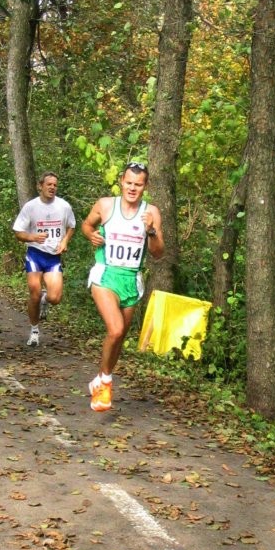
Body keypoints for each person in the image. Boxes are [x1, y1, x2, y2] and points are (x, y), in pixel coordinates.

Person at [81, 161, 164, 411]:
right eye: (129, 183)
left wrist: (150, 231)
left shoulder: (152, 212)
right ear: (121, 181)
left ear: (145, 186)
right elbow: (87, 225)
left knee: (119, 338)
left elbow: (159, 253)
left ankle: (100, 377)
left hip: (132, 279)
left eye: (138, 185)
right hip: (105, 275)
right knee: (115, 330)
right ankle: (105, 382)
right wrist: (91, 235)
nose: (132, 188)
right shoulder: (106, 205)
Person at [13, 171, 76, 347]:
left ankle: (44, 300)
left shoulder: (64, 206)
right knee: (34, 292)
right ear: (40, 186)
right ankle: (34, 331)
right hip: (35, 254)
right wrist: (33, 237)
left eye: (55, 185)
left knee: (55, 297)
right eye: (49, 184)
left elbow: (72, 226)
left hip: (54, 256)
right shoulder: (31, 207)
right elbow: (18, 232)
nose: (52, 187)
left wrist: (64, 241)